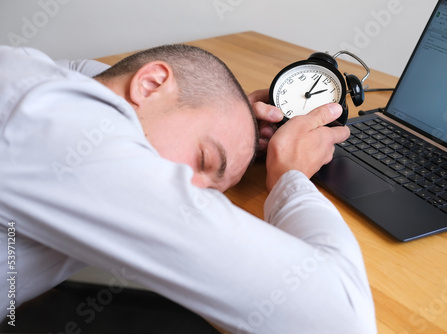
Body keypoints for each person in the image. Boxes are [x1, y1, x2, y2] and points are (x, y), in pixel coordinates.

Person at [0, 44, 376, 333]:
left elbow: (93, 74)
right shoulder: (63, 135)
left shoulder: (40, 78)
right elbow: (340, 320)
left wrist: (231, 127)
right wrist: (289, 175)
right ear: (150, 83)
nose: (195, 192)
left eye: (215, 188)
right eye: (203, 160)